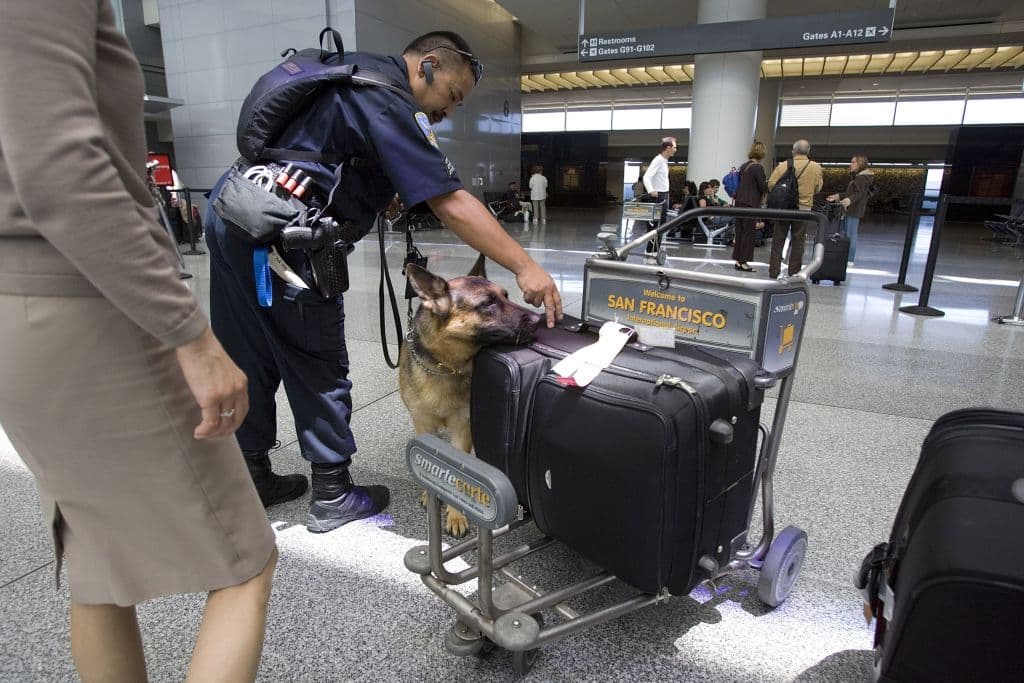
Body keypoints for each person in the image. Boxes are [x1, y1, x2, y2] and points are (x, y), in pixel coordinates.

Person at [0, 2, 278, 681]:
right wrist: (192, 336)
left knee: (98, 561)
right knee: (245, 560)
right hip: (87, 304)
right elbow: (61, 169)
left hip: (21, 313)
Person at [207, 31, 563, 534]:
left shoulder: (349, 76)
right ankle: (332, 492)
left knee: (249, 351)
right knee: (317, 359)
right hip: (288, 234)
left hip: (235, 208)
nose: (448, 111)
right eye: (451, 97)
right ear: (429, 67)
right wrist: (526, 266)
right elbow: (452, 201)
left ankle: (252, 474)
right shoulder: (388, 98)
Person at [766, 139, 824, 279]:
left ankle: (774, 270)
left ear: (794, 151)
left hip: (784, 208)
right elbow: (818, 187)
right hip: (804, 209)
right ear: (808, 151)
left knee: (778, 239)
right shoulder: (816, 167)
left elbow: (772, 185)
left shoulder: (784, 165)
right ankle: (794, 271)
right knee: (798, 241)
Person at [827, 154, 874, 265]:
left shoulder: (861, 178)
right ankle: (845, 257)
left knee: (850, 235)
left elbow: (859, 194)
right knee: (846, 234)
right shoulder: (859, 177)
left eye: (853, 162)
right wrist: (838, 196)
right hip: (851, 210)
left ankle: (849, 259)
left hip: (853, 210)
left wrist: (849, 200)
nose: (850, 164)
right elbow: (851, 193)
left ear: (860, 164)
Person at [732, 141, 769, 272]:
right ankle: (744, 262)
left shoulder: (744, 166)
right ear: (762, 153)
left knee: (740, 232)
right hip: (750, 203)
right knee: (748, 233)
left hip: (740, 203)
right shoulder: (757, 168)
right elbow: (763, 187)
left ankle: (737, 260)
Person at [641, 137, 677, 253]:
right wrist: (651, 190)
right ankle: (650, 251)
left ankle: (654, 251)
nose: (676, 149)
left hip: (664, 195)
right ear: (668, 148)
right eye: (674, 147)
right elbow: (646, 177)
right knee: (655, 226)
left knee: (661, 225)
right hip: (658, 196)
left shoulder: (664, 161)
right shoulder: (658, 160)